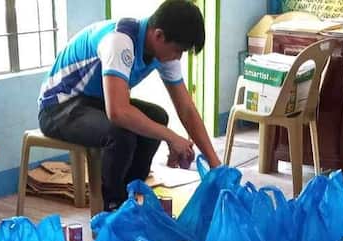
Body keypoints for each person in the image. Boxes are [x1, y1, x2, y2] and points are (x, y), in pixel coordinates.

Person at [38, 0, 222, 211]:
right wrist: (170, 137)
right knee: (120, 133)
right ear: (159, 35)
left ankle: (132, 197)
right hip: (59, 107)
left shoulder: (163, 52)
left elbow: (187, 110)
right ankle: (112, 207)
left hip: (94, 103)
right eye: (177, 50)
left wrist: (215, 164)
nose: (178, 57)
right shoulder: (120, 41)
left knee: (157, 117)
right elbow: (117, 113)